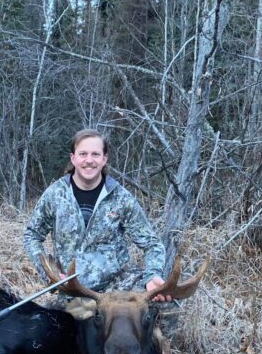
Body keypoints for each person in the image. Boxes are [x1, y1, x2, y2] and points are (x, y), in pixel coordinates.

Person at [23, 129, 171, 301]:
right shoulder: (55, 195)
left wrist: (152, 276)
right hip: (72, 290)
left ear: (104, 159)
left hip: (117, 288)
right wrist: (51, 274)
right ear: (73, 158)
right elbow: (31, 235)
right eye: (83, 154)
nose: (89, 160)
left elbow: (152, 244)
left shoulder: (121, 198)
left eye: (95, 154)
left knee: (166, 302)